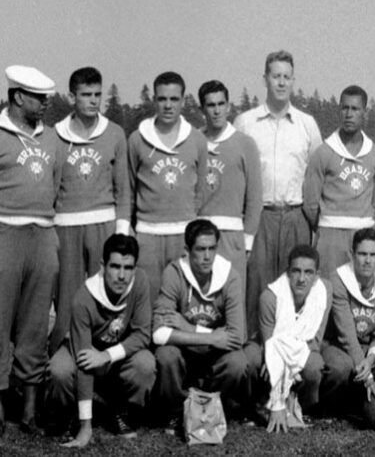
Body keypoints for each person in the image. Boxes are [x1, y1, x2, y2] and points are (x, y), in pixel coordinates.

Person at [234, 50, 322, 342]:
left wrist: (313, 222)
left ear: (293, 80)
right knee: (257, 286)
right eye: (275, 76)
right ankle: (256, 354)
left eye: (286, 77)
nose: (281, 83)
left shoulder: (307, 124)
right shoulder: (246, 123)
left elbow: (316, 174)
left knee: (295, 287)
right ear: (265, 79)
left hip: (296, 215)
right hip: (260, 216)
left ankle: (293, 358)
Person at [152, 220, 260, 436]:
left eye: (212, 248)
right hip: (186, 354)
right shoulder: (174, 273)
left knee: (238, 361)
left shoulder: (230, 276)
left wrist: (189, 328)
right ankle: (175, 410)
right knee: (166, 356)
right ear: (187, 250)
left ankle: (212, 405)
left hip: (214, 357)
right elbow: (159, 334)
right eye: (201, 249)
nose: (207, 256)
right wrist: (210, 337)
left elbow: (237, 337)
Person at [50, 67, 131, 354]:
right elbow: (51, 188)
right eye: (86, 95)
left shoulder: (115, 133)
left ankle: (107, 351)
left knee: (105, 290)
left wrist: (121, 230)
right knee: (68, 294)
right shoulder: (55, 136)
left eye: (97, 94)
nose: (93, 100)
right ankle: (63, 354)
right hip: (66, 225)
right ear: (72, 96)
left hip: (104, 223)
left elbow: (123, 189)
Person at [45, 234, 154, 448]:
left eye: (128, 267)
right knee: (59, 370)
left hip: (115, 352)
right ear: (103, 266)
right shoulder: (83, 298)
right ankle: (72, 415)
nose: (122, 275)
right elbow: (85, 361)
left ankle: (119, 409)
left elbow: (142, 334)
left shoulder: (140, 281)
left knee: (145, 365)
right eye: (115, 267)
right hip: (83, 347)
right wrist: (87, 427)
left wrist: (106, 355)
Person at [0, 65, 59, 435]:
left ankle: (29, 412)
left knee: (36, 325)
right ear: (19, 97)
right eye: (38, 98)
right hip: (5, 233)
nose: (45, 103)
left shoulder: (51, 137)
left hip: (44, 236)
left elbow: (54, 186)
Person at [128, 71, 207, 303]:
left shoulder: (197, 140)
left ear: (183, 100)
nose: (168, 105)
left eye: (174, 99)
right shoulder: (136, 139)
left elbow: (200, 191)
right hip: (148, 233)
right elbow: (130, 188)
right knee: (148, 298)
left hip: (183, 234)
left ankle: (180, 340)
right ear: (155, 100)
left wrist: (192, 229)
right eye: (162, 99)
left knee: (183, 297)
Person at [198, 80, 263, 336]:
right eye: (210, 105)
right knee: (202, 300)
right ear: (203, 108)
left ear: (229, 105)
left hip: (232, 236)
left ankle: (236, 355)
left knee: (232, 299)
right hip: (200, 234)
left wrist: (247, 241)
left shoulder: (245, 144)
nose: (216, 111)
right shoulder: (194, 141)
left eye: (221, 104)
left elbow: (255, 197)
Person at [303, 85, 375, 278]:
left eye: (355, 109)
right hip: (330, 236)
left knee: (362, 292)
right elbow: (310, 203)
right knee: (327, 289)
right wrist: (327, 225)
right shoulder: (323, 153)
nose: (349, 114)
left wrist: (361, 221)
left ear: (364, 112)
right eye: (344, 108)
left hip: (363, 234)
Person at [320, 228, 375, 409]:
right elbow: (347, 336)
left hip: (367, 348)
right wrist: (369, 378)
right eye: (362, 254)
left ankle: (365, 404)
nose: (367, 260)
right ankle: (331, 407)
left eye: (373, 255)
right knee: (340, 368)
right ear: (352, 255)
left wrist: (370, 360)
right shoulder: (339, 280)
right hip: (337, 345)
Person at [259, 245, 332, 433]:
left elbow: (315, 340)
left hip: (303, 348)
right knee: (257, 362)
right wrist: (277, 404)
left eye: (308, 272)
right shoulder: (270, 296)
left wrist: (293, 365)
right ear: (287, 272)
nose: (301, 279)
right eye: (296, 271)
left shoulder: (324, 291)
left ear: (317, 275)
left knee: (314, 365)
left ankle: (301, 403)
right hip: (271, 348)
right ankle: (262, 402)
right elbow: (271, 347)